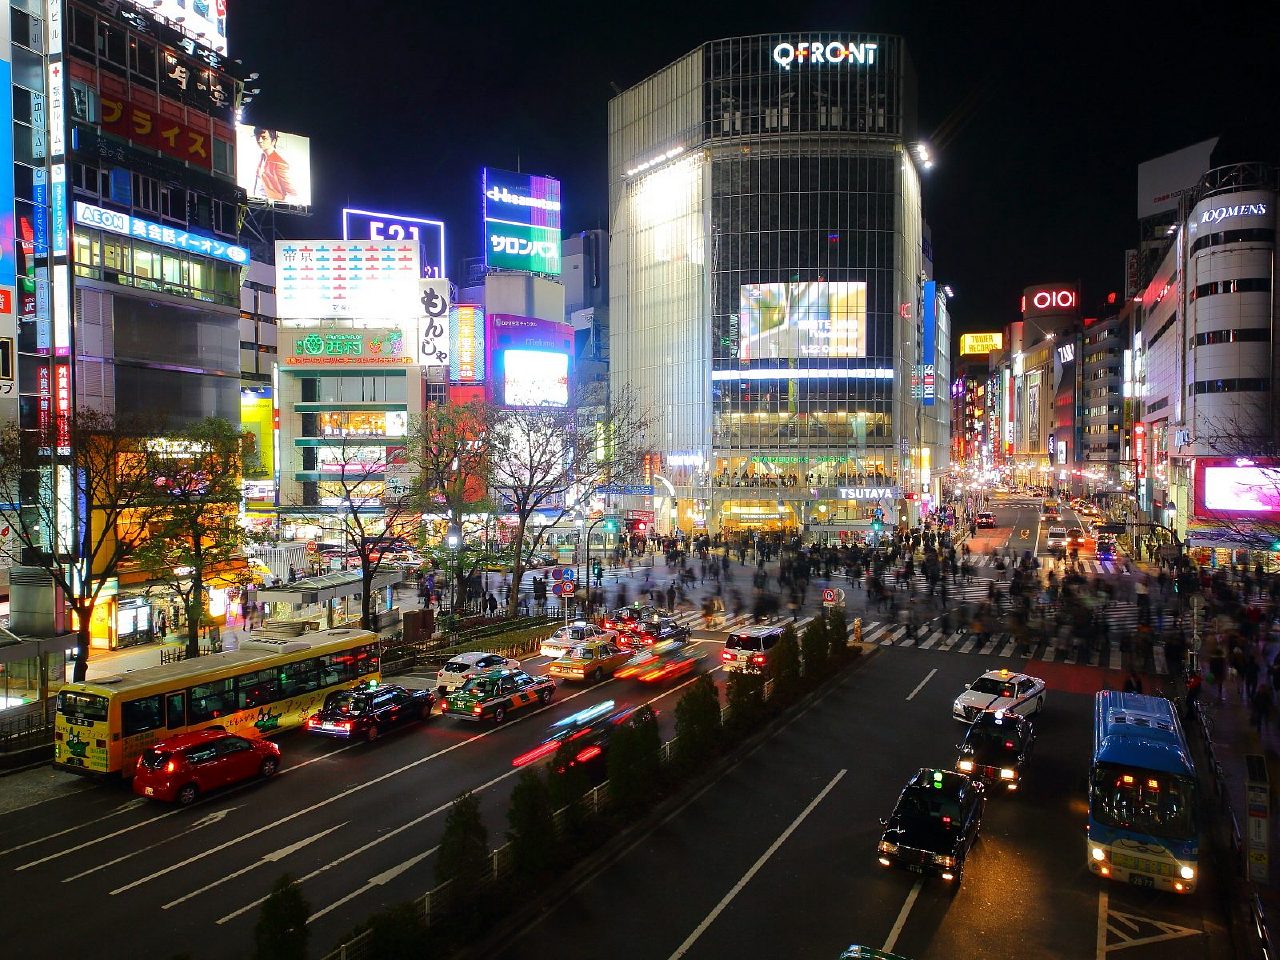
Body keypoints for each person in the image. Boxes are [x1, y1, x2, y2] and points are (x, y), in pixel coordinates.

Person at [252, 128, 298, 202]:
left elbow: (292, 192)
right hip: (259, 204)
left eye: (264, 138)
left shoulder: (279, 163)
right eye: (257, 137)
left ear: (273, 141)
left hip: (273, 207)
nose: (259, 140)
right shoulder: (262, 157)